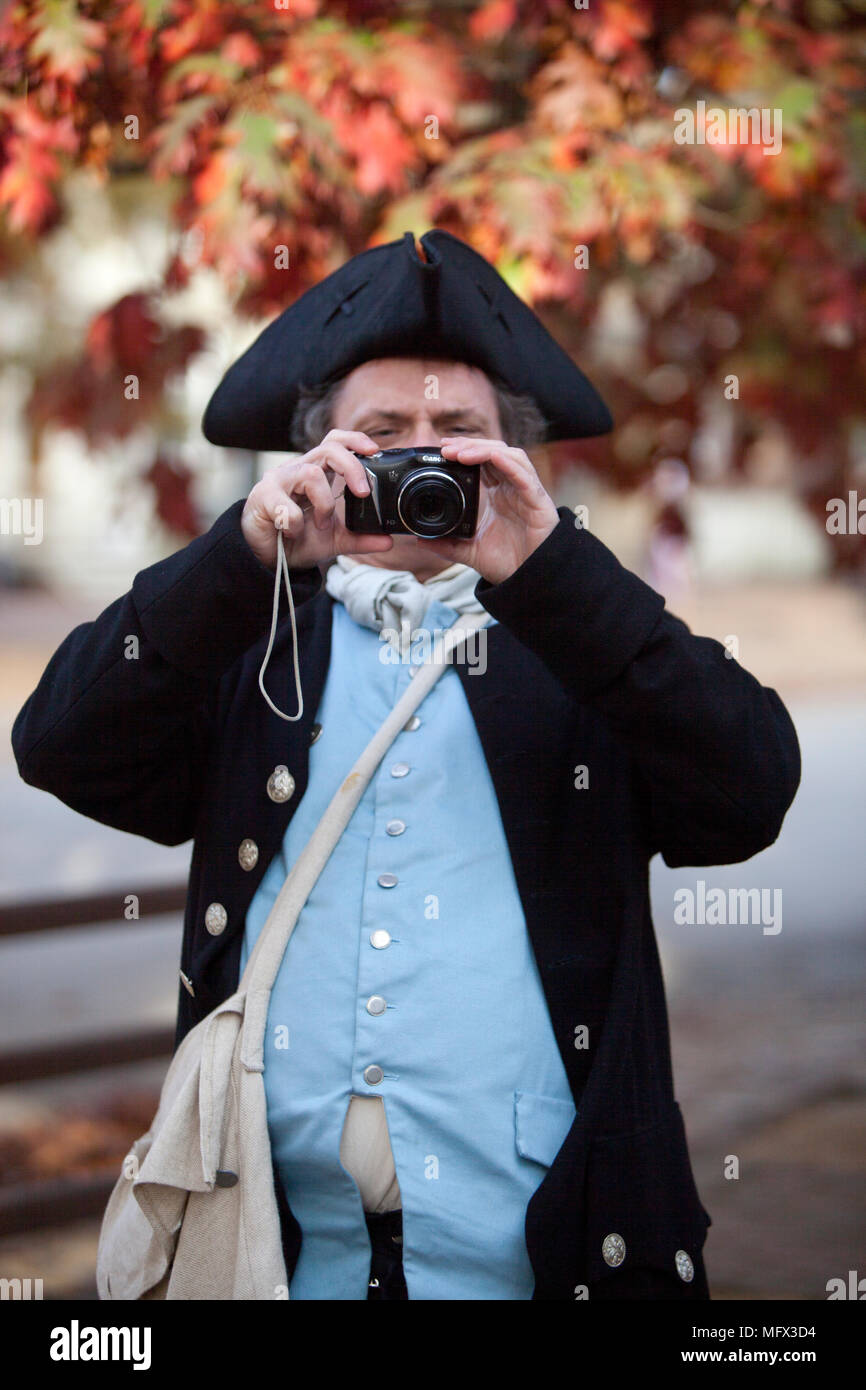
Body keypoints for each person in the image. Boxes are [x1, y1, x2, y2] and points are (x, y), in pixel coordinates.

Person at [11, 229, 801, 1300]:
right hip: (276, 1258)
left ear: (513, 458)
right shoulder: (253, 635)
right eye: (383, 434)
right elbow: (58, 742)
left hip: (547, 1263)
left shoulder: (581, 641)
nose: (422, 459)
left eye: (458, 433)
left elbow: (750, 786)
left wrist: (555, 568)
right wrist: (239, 560)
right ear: (318, 459)